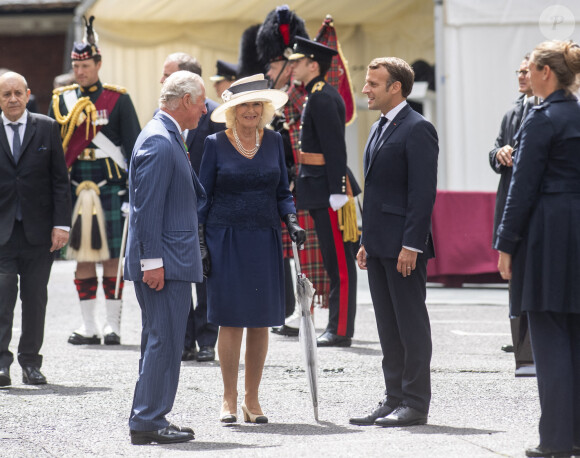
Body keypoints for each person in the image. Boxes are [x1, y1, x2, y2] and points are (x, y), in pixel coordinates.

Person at [198, 74, 305, 424]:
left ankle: (252, 399)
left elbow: (282, 191)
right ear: (231, 110)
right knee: (230, 320)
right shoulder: (214, 143)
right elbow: (204, 197)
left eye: (256, 104)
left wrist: (290, 219)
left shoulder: (275, 141)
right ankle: (228, 398)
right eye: (243, 104)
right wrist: (199, 242)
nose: (250, 110)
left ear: (264, 108)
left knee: (259, 322)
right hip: (224, 238)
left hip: (264, 237)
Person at [496, 40, 580, 458]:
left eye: (531, 67)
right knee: (576, 337)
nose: (527, 74)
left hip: (548, 232)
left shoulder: (540, 119)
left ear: (547, 72)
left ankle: (555, 441)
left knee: (548, 339)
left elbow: (522, 189)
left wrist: (505, 244)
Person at [350, 57, 438, 428]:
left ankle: (415, 402)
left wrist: (412, 246)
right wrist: (367, 240)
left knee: (410, 325)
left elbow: (422, 194)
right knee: (388, 325)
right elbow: (377, 191)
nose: (365, 89)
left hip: (404, 247)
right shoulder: (378, 128)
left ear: (395, 87)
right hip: (381, 244)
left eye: (373, 83)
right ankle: (394, 397)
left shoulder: (418, 129)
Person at [125, 70, 207, 445]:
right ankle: (148, 420)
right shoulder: (160, 140)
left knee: (162, 339)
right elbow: (146, 208)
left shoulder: (166, 134)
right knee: (165, 340)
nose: (205, 108)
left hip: (169, 261)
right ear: (187, 101)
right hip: (164, 263)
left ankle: (149, 416)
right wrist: (151, 261)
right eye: (202, 101)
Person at [48, 16, 140, 346]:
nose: (80, 70)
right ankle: (89, 327)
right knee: (83, 258)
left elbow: (134, 150)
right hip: (75, 189)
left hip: (111, 190)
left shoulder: (118, 99)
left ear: (98, 63)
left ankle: (113, 327)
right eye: (76, 64)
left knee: (113, 259)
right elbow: (53, 152)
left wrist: (133, 193)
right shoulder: (61, 100)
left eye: (86, 64)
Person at [0, 72, 71, 387]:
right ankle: (1, 365)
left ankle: (30, 363)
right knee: (1, 299)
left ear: (28, 94)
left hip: (39, 233)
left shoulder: (47, 127)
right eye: (6, 94)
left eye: (18, 93)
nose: (13, 99)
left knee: (34, 299)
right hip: (2, 233)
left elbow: (60, 181)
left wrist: (61, 224)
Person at [288, 37, 357, 347]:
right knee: (333, 262)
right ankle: (337, 326)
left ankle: (340, 329)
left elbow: (335, 148)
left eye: (297, 62)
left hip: (330, 190)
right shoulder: (314, 95)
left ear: (313, 65)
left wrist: (338, 191)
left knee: (340, 263)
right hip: (319, 187)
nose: (292, 66)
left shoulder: (322, 97)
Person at [160, 52, 225, 363]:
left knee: (208, 277)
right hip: (178, 211)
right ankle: (184, 340)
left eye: (167, 74)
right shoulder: (164, 117)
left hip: (209, 209)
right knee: (180, 275)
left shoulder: (215, 115)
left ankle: (208, 338)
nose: (162, 80)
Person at [489, 54, 536, 377]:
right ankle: (524, 356)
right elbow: (493, 151)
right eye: (518, 71)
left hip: (539, 211)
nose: (521, 77)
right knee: (515, 285)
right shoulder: (513, 112)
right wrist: (500, 153)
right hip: (510, 206)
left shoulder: (547, 112)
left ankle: (538, 349)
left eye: (526, 71)